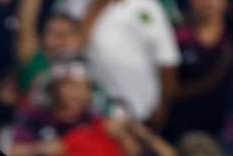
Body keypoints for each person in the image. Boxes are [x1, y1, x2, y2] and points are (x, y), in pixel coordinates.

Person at [58, 0, 181, 128]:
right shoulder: (77, 5)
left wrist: (163, 105)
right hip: (96, 113)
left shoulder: (146, 6)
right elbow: (72, 49)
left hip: (145, 112)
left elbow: (167, 60)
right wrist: (97, 8)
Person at [164, 0, 233, 142]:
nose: (209, 3)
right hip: (180, 129)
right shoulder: (176, 35)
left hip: (227, 131)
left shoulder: (232, 34)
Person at [15, 0, 82, 92]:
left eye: (69, 32)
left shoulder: (88, 68)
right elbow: (26, 20)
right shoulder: (33, 59)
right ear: (41, 38)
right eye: (53, 32)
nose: (61, 38)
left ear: (80, 39)